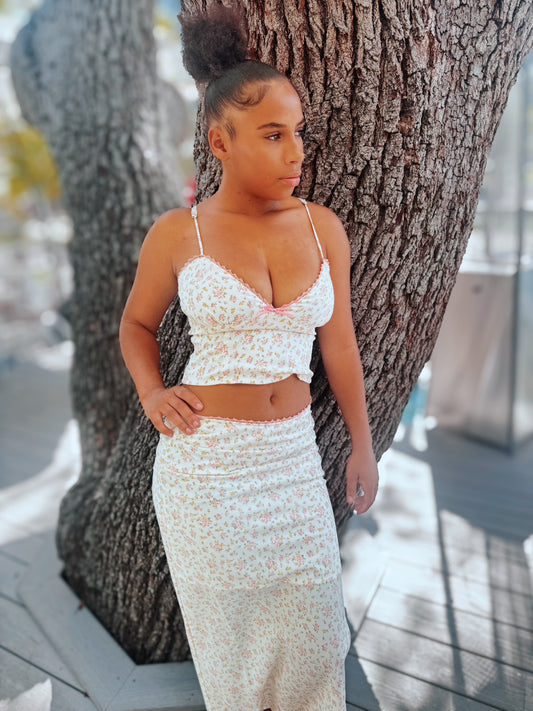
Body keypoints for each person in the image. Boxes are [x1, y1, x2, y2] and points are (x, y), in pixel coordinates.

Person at [119, 6, 378, 710]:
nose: (295, 152)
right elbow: (137, 325)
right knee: (234, 658)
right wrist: (151, 393)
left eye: (297, 132)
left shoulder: (322, 228)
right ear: (220, 142)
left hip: (292, 463)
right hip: (205, 472)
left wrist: (362, 445)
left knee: (315, 647)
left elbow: (340, 345)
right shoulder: (180, 234)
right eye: (272, 134)